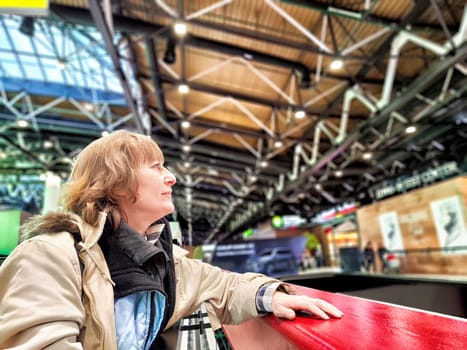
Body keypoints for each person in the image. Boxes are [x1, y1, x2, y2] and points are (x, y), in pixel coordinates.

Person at [0, 130, 343, 349]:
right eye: (156, 166)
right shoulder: (50, 256)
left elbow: (223, 287)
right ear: (116, 184)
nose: (172, 178)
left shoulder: (162, 262)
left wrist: (270, 296)